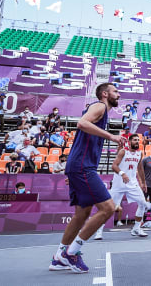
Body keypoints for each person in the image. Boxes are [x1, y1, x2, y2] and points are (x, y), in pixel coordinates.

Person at [50, 83, 127, 273]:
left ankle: (59, 257)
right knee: (108, 208)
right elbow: (82, 123)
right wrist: (112, 137)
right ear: (105, 94)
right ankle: (71, 252)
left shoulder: (101, 112)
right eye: (115, 91)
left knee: (82, 214)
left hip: (78, 166)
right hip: (82, 166)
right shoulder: (99, 106)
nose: (119, 94)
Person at [94, 134, 149, 240]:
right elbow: (114, 166)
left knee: (143, 203)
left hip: (132, 184)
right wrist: (122, 173)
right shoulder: (123, 152)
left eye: (138, 140)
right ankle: (99, 231)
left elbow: (140, 169)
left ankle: (136, 228)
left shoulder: (139, 153)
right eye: (135, 140)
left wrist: (143, 182)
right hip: (118, 184)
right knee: (109, 208)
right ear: (129, 142)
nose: (137, 142)